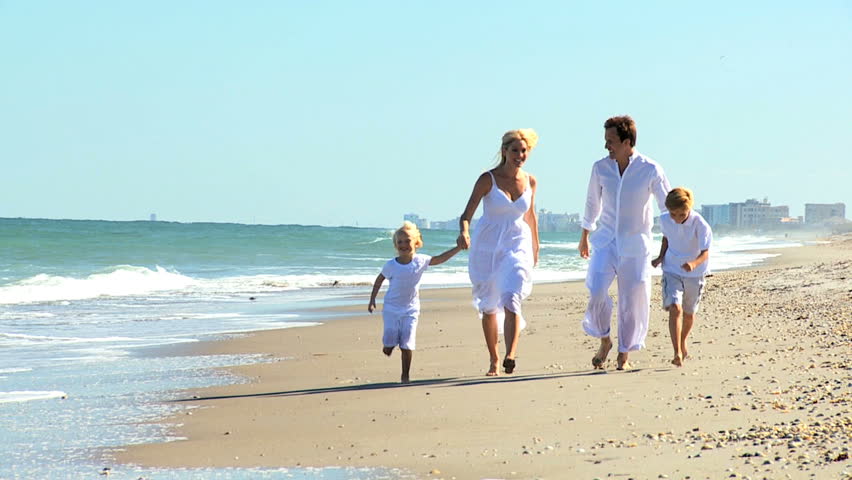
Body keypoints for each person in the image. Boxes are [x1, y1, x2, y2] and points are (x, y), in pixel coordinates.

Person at [579, 115, 670, 370]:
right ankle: (605, 339)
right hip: (605, 241)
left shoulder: (650, 169)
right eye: (606, 140)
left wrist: (667, 244)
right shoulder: (600, 168)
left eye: (611, 141)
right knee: (596, 290)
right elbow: (591, 202)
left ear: (627, 141)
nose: (607, 146)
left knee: (632, 300)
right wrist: (585, 234)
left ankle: (624, 355)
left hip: (635, 244)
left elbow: (666, 208)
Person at [457, 129, 540, 376]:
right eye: (515, 150)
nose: (520, 155)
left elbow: (531, 217)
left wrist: (536, 246)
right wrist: (464, 232)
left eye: (523, 150)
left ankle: (510, 354)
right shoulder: (487, 179)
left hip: (517, 243)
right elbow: (466, 214)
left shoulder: (530, 181)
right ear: (504, 151)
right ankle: (494, 359)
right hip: (487, 246)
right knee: (489, 305)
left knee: (512, 295)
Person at [368, 221, 461, 383]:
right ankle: (388, 345)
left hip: (411, 309)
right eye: (400, 242)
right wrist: (372, 299)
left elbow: (440, 259)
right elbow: (379, 279)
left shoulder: (421, 261)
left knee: (407, 342)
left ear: (416, 243)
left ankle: (405, 375)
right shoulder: (391, 265)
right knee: (389, 342)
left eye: (407, 241)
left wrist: (458, 248)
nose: (403, 245)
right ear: (396, 245)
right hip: (391, 308)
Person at [651, 187, 712, 367]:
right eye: (673, 214)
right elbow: (666, 238)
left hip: (695, 273)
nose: (677, 218)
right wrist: (661, 257)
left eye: (681, 214)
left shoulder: (700, 224)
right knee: (675, 308)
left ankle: (683, 341)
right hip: (671, 269)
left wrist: (693, 263)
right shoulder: (664, 220)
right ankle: (677, 350)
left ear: (689, 209)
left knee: (689, 313)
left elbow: (705, 252)